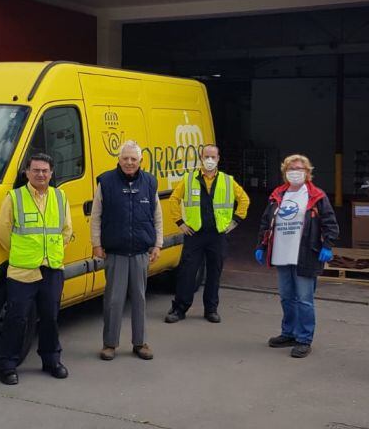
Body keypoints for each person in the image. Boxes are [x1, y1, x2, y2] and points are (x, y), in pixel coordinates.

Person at [0, 153, 73, 385]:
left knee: (50, 318)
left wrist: (53, 252)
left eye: (45, 170)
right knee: (16, 318)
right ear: (27, 173)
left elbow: (66, 229)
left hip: (52, 268)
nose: (40, 174)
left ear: (51, 173)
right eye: (36, 170)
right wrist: (23, 252)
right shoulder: (15, 197)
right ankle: (7, 365)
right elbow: (3, 231)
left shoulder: (60, 197)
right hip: (22, 270)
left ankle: (52, 361)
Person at [254, 154, 339, 359]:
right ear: (285, 172)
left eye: (300, 169)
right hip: (281, 253)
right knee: (286, 297)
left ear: (308, 172)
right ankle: (289, 333)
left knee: (304, 299)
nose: (295, 172)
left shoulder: (316, 196)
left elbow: (330, 223)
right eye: (291, 169)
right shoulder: (277, 195)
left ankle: (304, 339)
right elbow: (266, 222)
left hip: (305, 254)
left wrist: (327, 245)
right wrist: (261, 246)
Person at [91, 140, 163, 361]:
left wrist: (158, 244)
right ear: (119, 160)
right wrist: (96, 243)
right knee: (113, 300)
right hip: (116, 253)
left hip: (141, 252)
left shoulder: (149, 182)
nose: (129, 162)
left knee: (140, 299)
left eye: (133, 159)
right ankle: (110, 344)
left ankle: (140, 343)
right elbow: (96, 216)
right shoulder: (106, 182)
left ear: (141, 160)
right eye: (125, 158)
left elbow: (157, 216)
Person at [165, 144, 250, 323]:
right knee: (187, 273)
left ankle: (211, 310)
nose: (209, 160)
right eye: (206, 156)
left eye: (213, 157)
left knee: (214, 273)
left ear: (218, 159)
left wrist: (235, 221)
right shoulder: (189, 179)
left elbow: (244, 199)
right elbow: (174, 199)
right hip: (194, 234)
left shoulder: (227, 181)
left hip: (217, 235)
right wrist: (180, 222)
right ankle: (179, 309)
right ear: (201, 158)